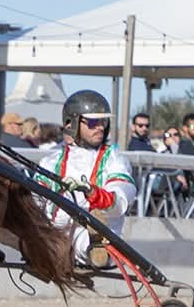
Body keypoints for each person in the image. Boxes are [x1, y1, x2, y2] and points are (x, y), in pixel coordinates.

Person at [36, 90, 136, 268]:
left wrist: (91, 192)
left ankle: (96, 248)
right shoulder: (50, 162)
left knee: (89, 237)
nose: (100, 127)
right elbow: (35, 201)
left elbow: (121, 199)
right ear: (71, 123)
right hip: (54, 231)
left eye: (103, 122)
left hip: (95, 229)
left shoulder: (114, 159)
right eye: (92, 122)